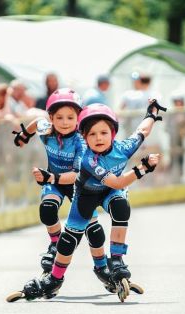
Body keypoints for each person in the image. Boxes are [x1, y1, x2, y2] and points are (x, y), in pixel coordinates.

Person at [18, 99, 166, 301]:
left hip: (109, 193)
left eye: (104, 133)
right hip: (87, 194)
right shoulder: (88, 160)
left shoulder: (123, 148)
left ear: (113, 134)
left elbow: (142, 131)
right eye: (92, 134)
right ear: (84, 137)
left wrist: (151, 114)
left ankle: (116, 260)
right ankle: (54, 278)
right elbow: (117, 181)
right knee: (69, 240)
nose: (98, 138)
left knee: (121, 206)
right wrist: (142, 169)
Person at [11, 88, 113, 290]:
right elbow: (36, 123)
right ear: (51, 118)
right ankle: (56, 243)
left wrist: (50, 176)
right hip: (56, 183)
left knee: (93, 230)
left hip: (78, 185)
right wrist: (24, 135)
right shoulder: (45, 128)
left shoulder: (80, 141)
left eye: (70, 117)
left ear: (78, 117)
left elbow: (75, 174)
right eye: (59, 117)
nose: (65, 122)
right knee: (47, 209)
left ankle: (102, 267)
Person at [166, 91, 185, 183]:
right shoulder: (172, 114)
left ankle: (180, 178)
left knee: (181, 160)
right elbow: (167, 128)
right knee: (173, 160)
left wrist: (182, 129)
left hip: (181, 141)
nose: (178, 103)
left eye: (179, 101)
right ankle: (172, 178)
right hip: (173, 141)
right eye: (176, 101)